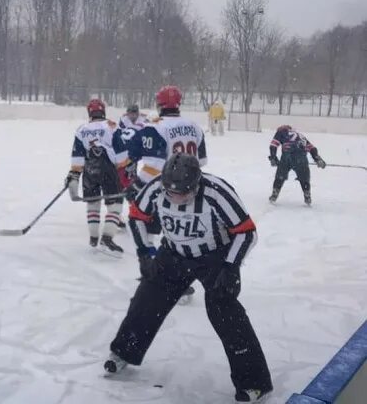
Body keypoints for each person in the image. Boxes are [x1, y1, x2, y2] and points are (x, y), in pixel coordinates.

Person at [104, 154, 273, 403]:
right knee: (147, 299)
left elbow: (246, 232)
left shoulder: (217, 192)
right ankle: (123, 352)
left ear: (196, 184)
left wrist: (231, 267)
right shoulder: (155, 187)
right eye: (171, 193)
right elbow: (137, 216)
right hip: (173, 253)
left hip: (214, 257)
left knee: (224, 311)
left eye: (183, 193)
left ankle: (254, 382)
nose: (176, 198)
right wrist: (144, 253)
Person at [124, 86, 208, 300]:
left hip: (164, 189)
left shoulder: (156, 127)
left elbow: (153, 166)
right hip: (191, 189)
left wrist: (136, 186)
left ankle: (158, 274)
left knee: (147, 226)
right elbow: (202, 162)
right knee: (179, 234)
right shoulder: (194, 127)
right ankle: (179, 278)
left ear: (159, 104)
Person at [65, 98, 127, 254]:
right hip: (108, 169)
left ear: (89, 112)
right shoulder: (111, 126)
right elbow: (121, 157)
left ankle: (93, 237)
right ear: (103, 111)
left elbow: (77, 157)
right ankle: (107, 237)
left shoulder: (81, 129)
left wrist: (74, 175)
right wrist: (123, 166)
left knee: (92, 202)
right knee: (115, 204)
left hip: (89, 169)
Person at [268, 125, 325, 205]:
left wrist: (273, 157)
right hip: (301, 157)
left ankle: (275, 193)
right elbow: (311, 148)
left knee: (280, 175)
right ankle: (307, 193)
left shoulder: (281, 132)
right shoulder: (300, 135)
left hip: (287, 155)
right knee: (304, 177)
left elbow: (273, 145)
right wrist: (317, 158)